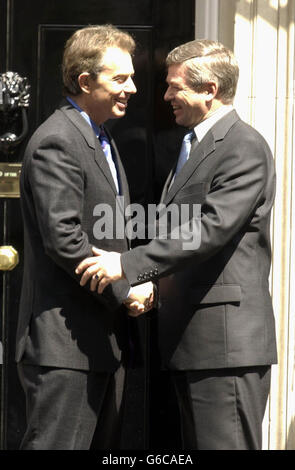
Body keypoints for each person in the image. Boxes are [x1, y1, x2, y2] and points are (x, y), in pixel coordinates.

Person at [76, 39, 277, 450]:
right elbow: (186, 240)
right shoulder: (192, 145)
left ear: (209, 90)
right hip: (191, 342)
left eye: (175, 87)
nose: (165, 96)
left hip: (224, 347)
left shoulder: (243, 147)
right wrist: (153, 284)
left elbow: (209, 230)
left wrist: (128, 265)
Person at [15, 24, 154, 450]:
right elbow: (64, 239)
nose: (131, 87)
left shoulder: (101, 138)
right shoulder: (57, 141)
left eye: (131, 77)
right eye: (120, 78)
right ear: (85, 81)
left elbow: (111, 235)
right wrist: (124, 290)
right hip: (64, 347)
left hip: (102, 343)